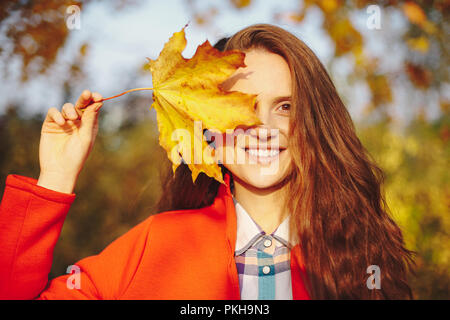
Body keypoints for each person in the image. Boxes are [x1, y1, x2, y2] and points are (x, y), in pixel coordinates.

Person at [0, 24, 414, 300]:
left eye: (285, 106)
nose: (261, 125)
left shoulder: (360, 261)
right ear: (207, 130)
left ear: (315, 122)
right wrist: (55, 177)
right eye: (241, 107)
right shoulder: (155, 246)